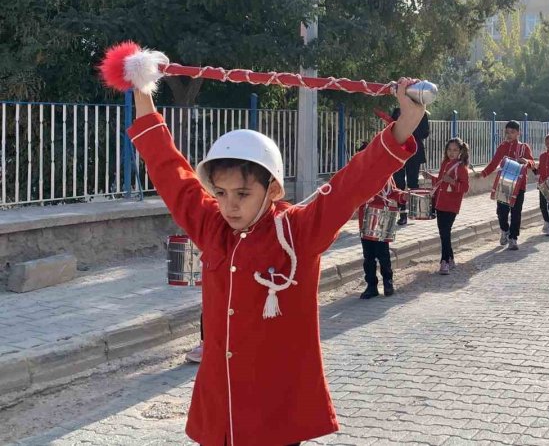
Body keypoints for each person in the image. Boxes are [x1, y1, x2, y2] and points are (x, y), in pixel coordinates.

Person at [126, 80, 424, 445]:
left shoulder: (297, 232)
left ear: (274, 190)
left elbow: (352, 184)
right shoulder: (211, 225)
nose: (230, 205)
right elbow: (170, 172)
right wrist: (142, 90)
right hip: (219, 414)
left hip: (275, 418)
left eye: (242, 193)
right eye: (220, 193)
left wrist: (406, 123)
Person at [481, 120, 534, 250]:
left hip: (519, 185)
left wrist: (526, 161)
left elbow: (532, 163)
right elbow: (494, 163)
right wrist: (482, 174)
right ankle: (504, 230)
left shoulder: (524, 147)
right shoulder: (502, 146)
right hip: (504, 184)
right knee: (501, 212)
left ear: (518, 133)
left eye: (512, 132)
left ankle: (513, 238)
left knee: (516, 213)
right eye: (507, 132)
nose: (509, 135)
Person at [425, 138, 470, 275]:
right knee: (443, 233)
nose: (451, 152)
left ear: (460, 151)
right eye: (449, 149)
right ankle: (450, 259)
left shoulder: (461, 167)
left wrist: (452, 181)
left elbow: (465, 187)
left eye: (455, 150)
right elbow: (441, 181)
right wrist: (431, 177)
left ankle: (444, 261)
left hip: (452, 205)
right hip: (440, 203)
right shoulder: (445, 163)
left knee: (445, 232)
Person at [358, 168, 404, 299]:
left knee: (383, 254)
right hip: (367, 218)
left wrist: (402, 196)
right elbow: (356, 193)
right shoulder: (363, 174)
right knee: (368, 256)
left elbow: (392, 191)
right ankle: (371, 286)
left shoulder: (387, 174)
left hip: (383, 218)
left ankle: (388, 282)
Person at [391, 106, 430, 225]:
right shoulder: (397, 111)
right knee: (399, 183)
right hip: (398, 152)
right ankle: (402, 215)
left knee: (413, 183)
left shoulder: (421, 112)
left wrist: (410, 129)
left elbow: (425, 133)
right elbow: (390, 129)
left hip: (414, 152)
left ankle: (414, 212)